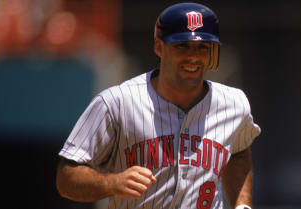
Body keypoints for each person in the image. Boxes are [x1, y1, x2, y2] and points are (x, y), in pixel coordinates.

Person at [56, 2, 261, 209]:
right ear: (159, 47)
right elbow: (66, 177)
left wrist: (242, 204)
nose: (193, 56)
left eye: (202, 47)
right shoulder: (116, 103)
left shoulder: (233, 104)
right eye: (182, 46)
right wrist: (112, 183)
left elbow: (238, 151)